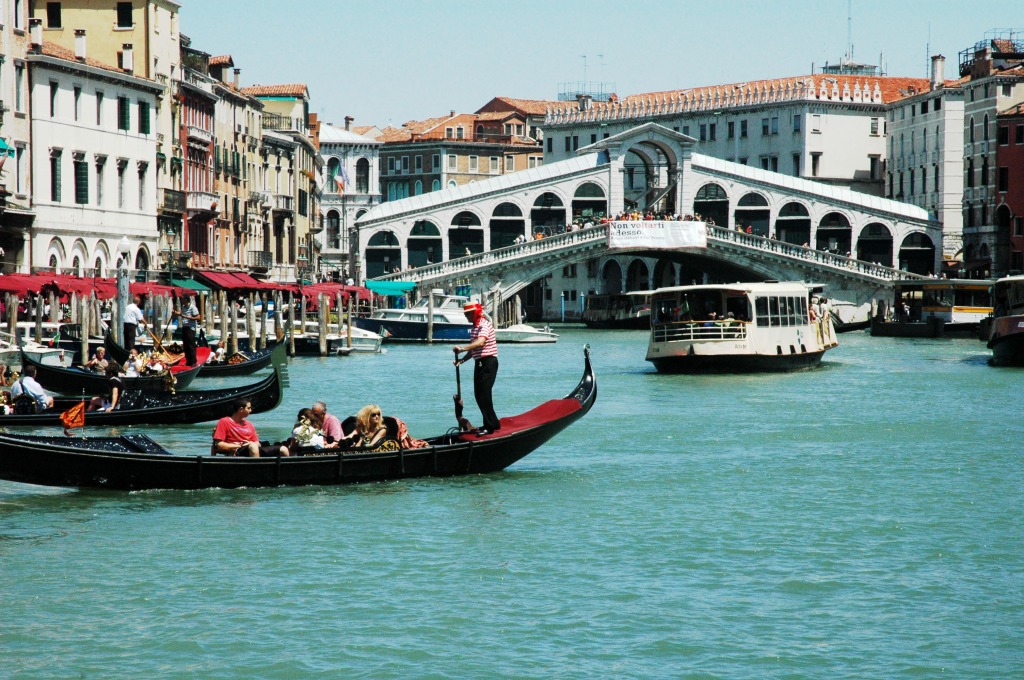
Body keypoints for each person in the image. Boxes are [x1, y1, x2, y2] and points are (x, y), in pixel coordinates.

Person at [454, 302, 500, 435]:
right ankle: (493, 423)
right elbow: (475, 347)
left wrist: (462, 348)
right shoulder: (475, 326)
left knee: (484, 394)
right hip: (480, 362)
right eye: (465, 314)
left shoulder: (484, 325)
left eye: (467, 314)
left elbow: (481, 342)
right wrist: (462, 360)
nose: (466, 316)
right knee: (479, 395)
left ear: (474, 313)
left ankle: (489, 426)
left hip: (488, 362)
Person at [212, 397, 289, 457]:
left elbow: (257, 443)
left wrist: (252, 443)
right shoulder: (224, 422)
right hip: (238, 450)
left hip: (253, 447)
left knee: (283, 449)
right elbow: (219, 445)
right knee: (253, 446)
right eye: (248, 408)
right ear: (241, 409)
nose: (251, 410)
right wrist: (238, 445)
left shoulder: (249, 424)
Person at [175, 294, 200, 366]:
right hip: (185, 327)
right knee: (185, 345)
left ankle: (193, 361)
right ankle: (188, 361)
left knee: (191, 345)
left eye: (183, 299)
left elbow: (198, 318)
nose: (182, 300)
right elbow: (182, 314)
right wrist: (176, 313)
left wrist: (187, 317)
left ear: (186, 300)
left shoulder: (193, 308)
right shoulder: (183, 307)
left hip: (191, 328)